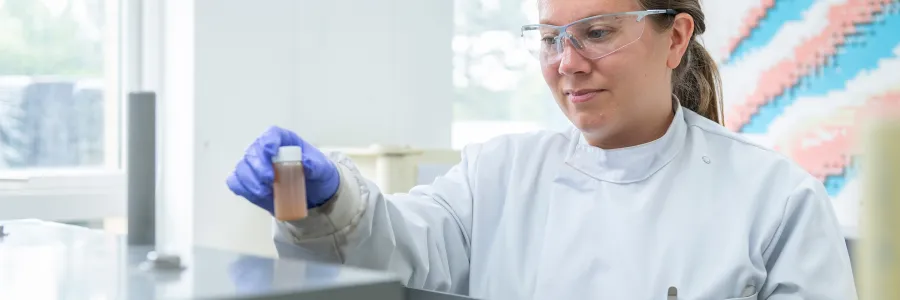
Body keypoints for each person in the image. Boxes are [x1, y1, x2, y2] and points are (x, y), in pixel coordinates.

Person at [226, 0, 858, 298]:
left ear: (675, 39)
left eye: (597, 34)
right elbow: (398, 247)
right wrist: (332, 199)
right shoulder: (497, 175)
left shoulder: (775, 201)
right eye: (551, 38)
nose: (568, 64)